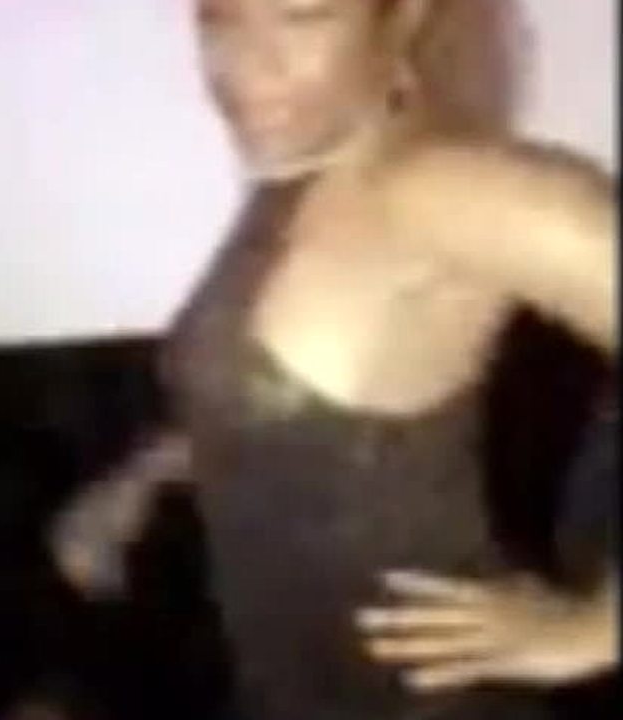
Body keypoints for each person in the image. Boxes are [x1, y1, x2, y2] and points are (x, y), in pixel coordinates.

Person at [48, 1, 617, 718]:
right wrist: (140, 479)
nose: (245, 67)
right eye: (219, 20)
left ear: (402, 19)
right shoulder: (293, 183)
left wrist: (594, 632)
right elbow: (286, 412)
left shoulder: (454, 189)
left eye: (302, 17)